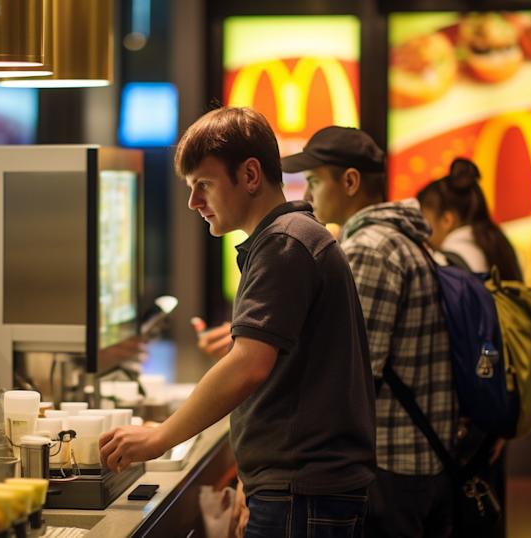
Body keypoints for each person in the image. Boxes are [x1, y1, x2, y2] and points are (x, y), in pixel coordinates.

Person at [99, 108, 376, 537]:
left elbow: (249, 364)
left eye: (204, 185)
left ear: (249, 175)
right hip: (300, 486)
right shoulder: (289, 237)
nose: (194, 202)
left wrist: (160, 437)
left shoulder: (284, 242)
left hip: (303, 490)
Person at [282, 126, 457, 537]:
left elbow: (354, 371)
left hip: (392, 462)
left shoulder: (370, 249)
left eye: (314, 181)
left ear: (350, 181)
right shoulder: (405, 238)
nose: (308, 195)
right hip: (423, 455)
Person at [418, 157, 523, 538]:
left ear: (447, 219)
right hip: (499, 400)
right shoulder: (499, 246)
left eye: (425, 219)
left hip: (469, 413)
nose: (422, 230)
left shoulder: (450, 261)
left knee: (463, 514)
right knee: (486, 507)